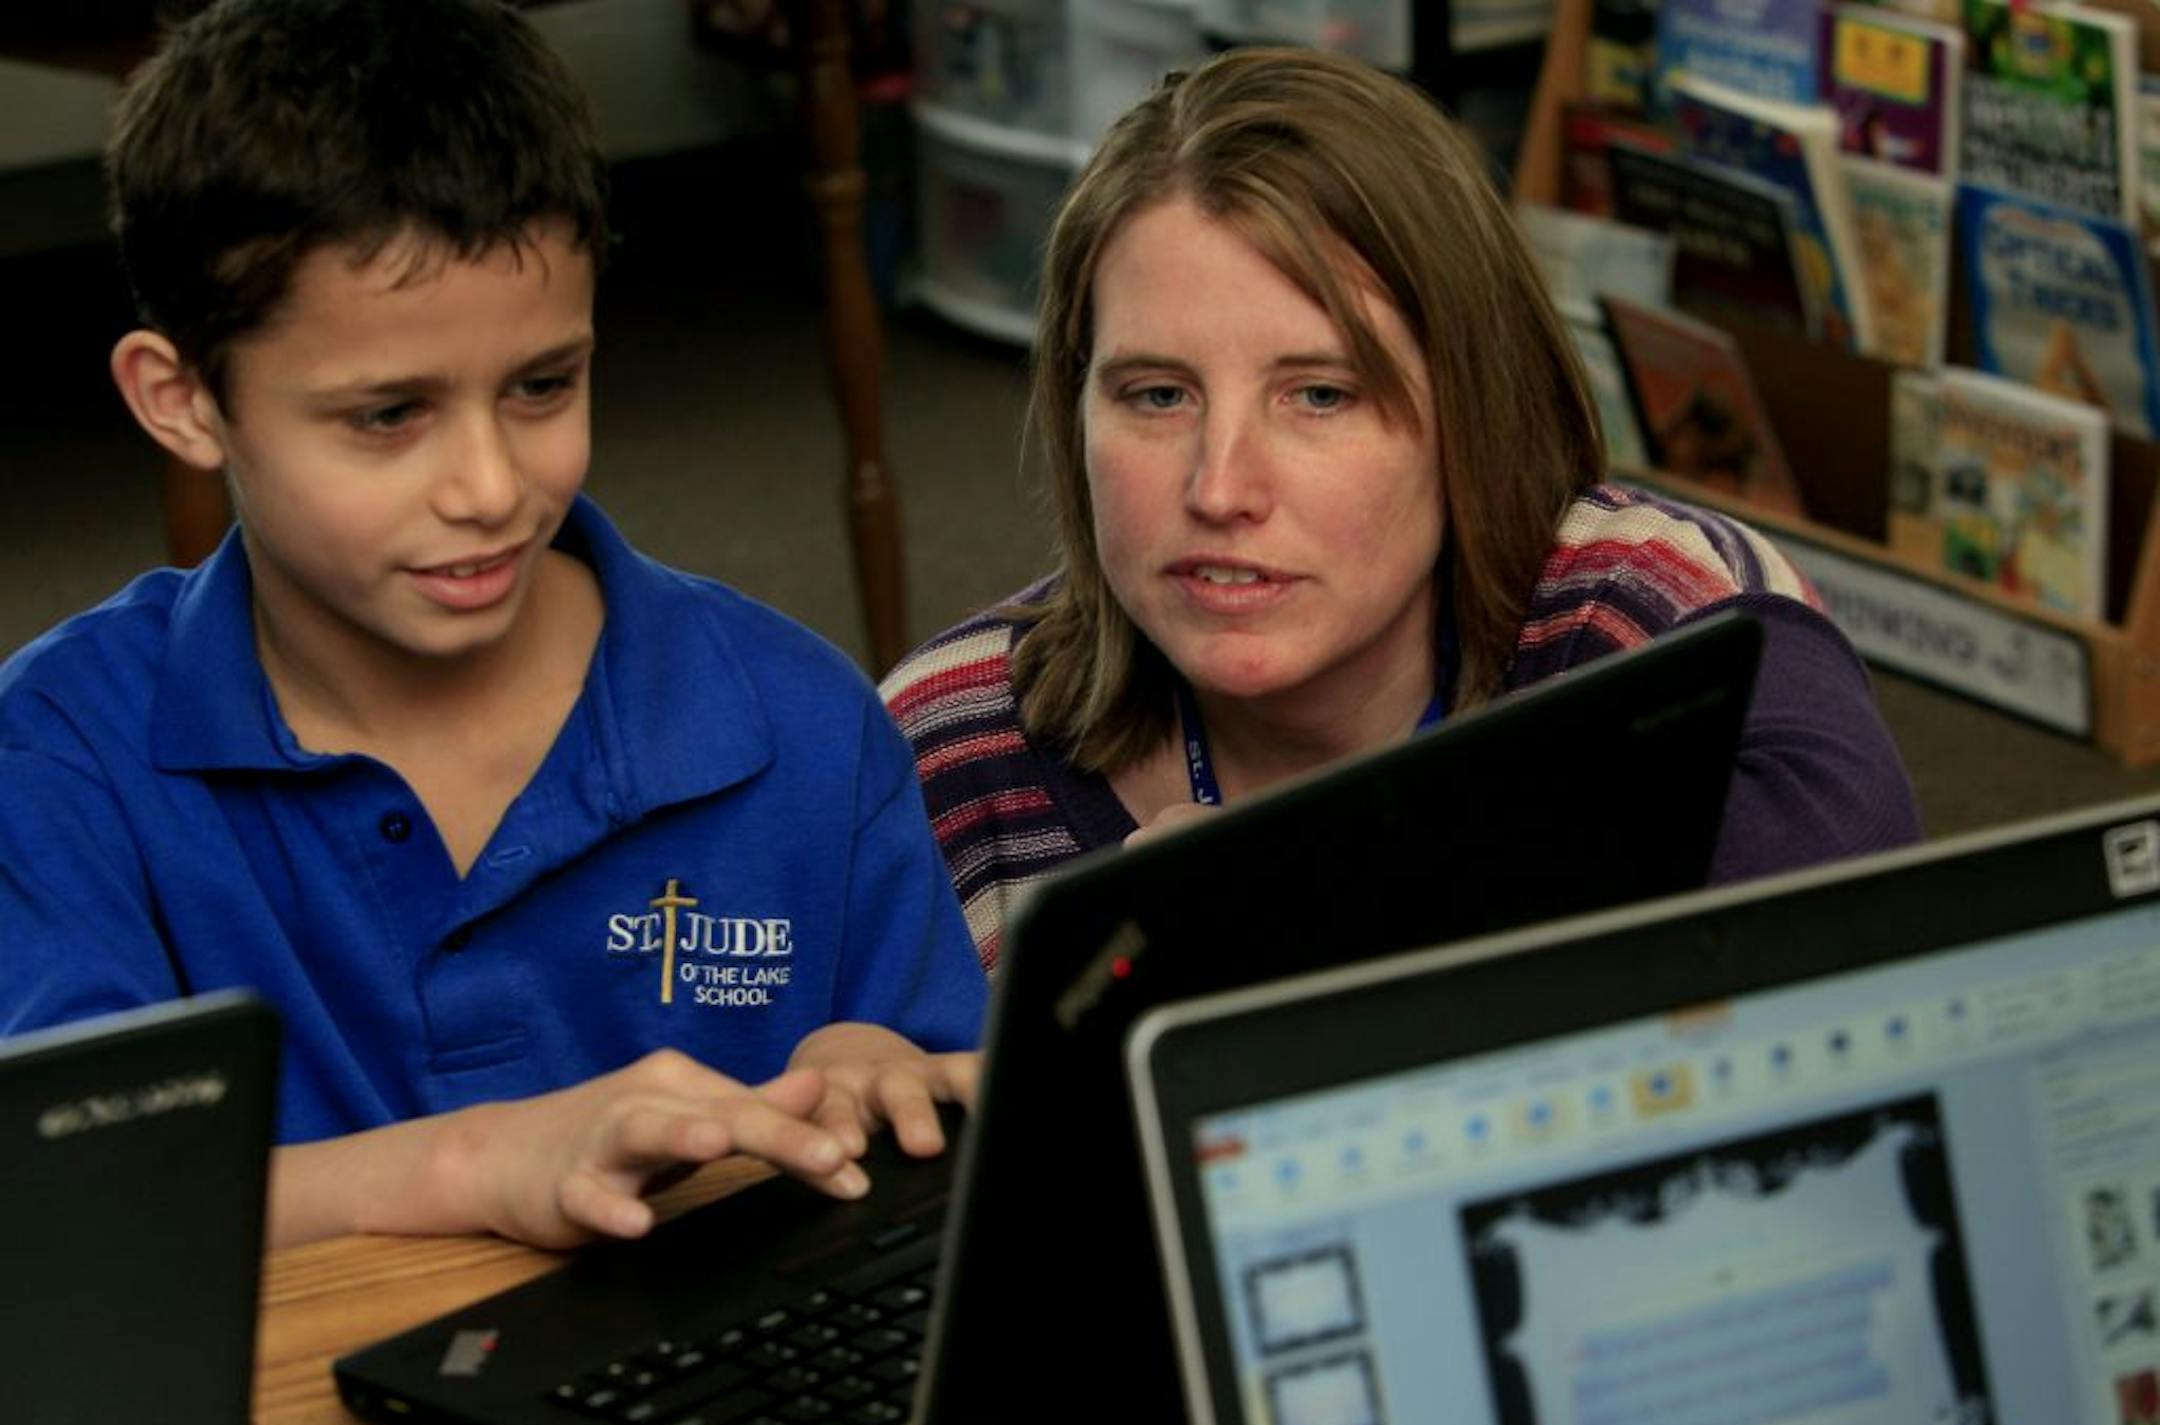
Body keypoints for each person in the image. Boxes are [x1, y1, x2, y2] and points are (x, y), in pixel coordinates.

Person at [0, 0, 984, 1250]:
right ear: (183, 399)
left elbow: (953, 1144)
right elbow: (70, 1207)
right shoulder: (59, 755)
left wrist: (882, 1065)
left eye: (542, 386)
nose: (488, 487)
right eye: (388, 413)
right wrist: (483, 1163)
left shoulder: (800, 721)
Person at [881, 47, 1921, 972]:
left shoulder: (1656, 608)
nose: (1221, 489)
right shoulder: (937, 747)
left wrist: (1289, 925)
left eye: (1321, 395)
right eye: (1157, 394)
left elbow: (1853, 932)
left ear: (1472, 413)